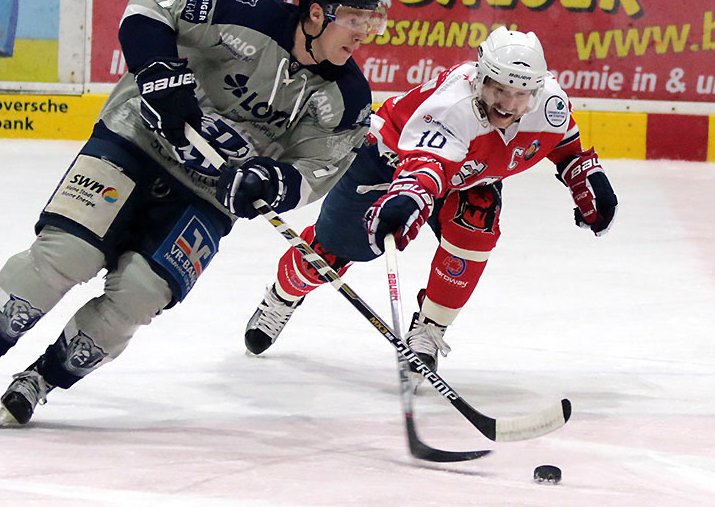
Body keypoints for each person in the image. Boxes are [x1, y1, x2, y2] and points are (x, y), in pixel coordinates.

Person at [0, 0, 387, 426]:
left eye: (370, 21)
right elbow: (153, 4)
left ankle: (41, 380)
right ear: (316, 13)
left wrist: (272, 184)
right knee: (66, 255)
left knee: (138, 294)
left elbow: (319, 168)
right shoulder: (248, 9)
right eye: (354, 20)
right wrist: (158, 73)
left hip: (210, 194)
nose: (364, 34)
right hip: (136, 138)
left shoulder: (348, 97)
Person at [244, 26, 618, 386]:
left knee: (477, 224)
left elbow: (566, 146)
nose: (509, 104)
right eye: (500, 89)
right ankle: (281, 297)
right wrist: (405, 201)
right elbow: (426, 169)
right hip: (388, 160)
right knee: (332, 252)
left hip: (467, 178)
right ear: (480, 79)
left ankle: (428, 330)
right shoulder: (453, 105)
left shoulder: (550, 103)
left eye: (521, 94)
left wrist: (587, 179)